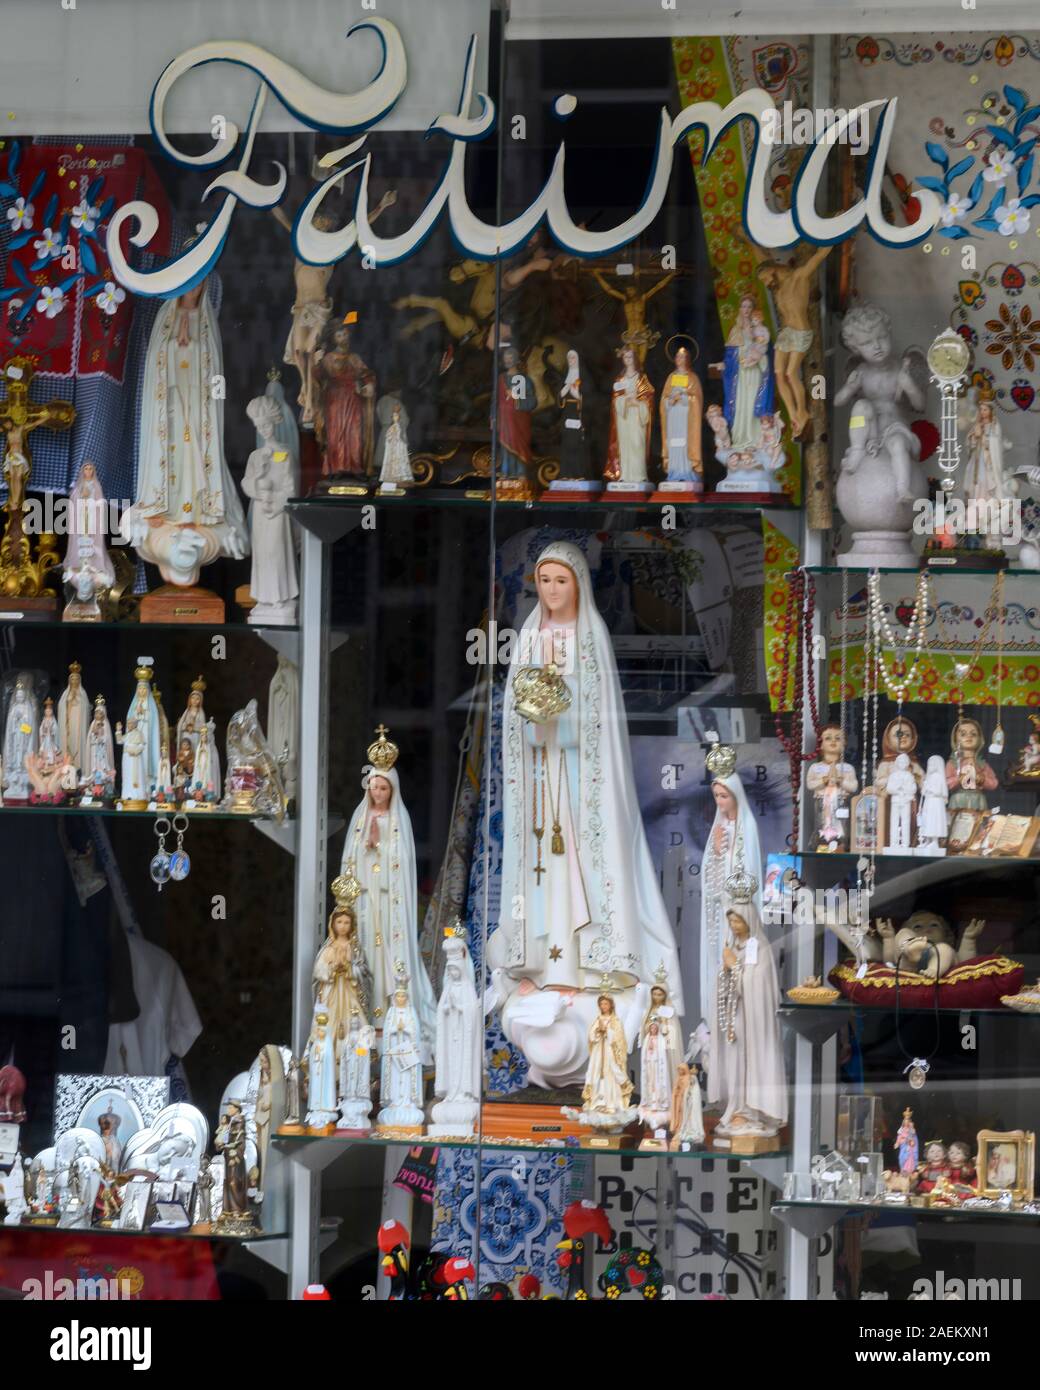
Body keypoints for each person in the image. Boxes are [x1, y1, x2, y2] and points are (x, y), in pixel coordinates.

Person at [707, 904, 787, 1138]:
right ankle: (737, 1107)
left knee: (751, 1062)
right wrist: (725, 972)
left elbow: (759, 986)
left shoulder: (760, 948)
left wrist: (734, 966)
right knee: (735, 1063)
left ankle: (752, 1111)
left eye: (738, 921)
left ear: (749, 921)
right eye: (731, 921)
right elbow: (726, 983)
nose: (734, 926)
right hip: (735, 1017)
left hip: (753, 1021)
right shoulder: (733, 947)